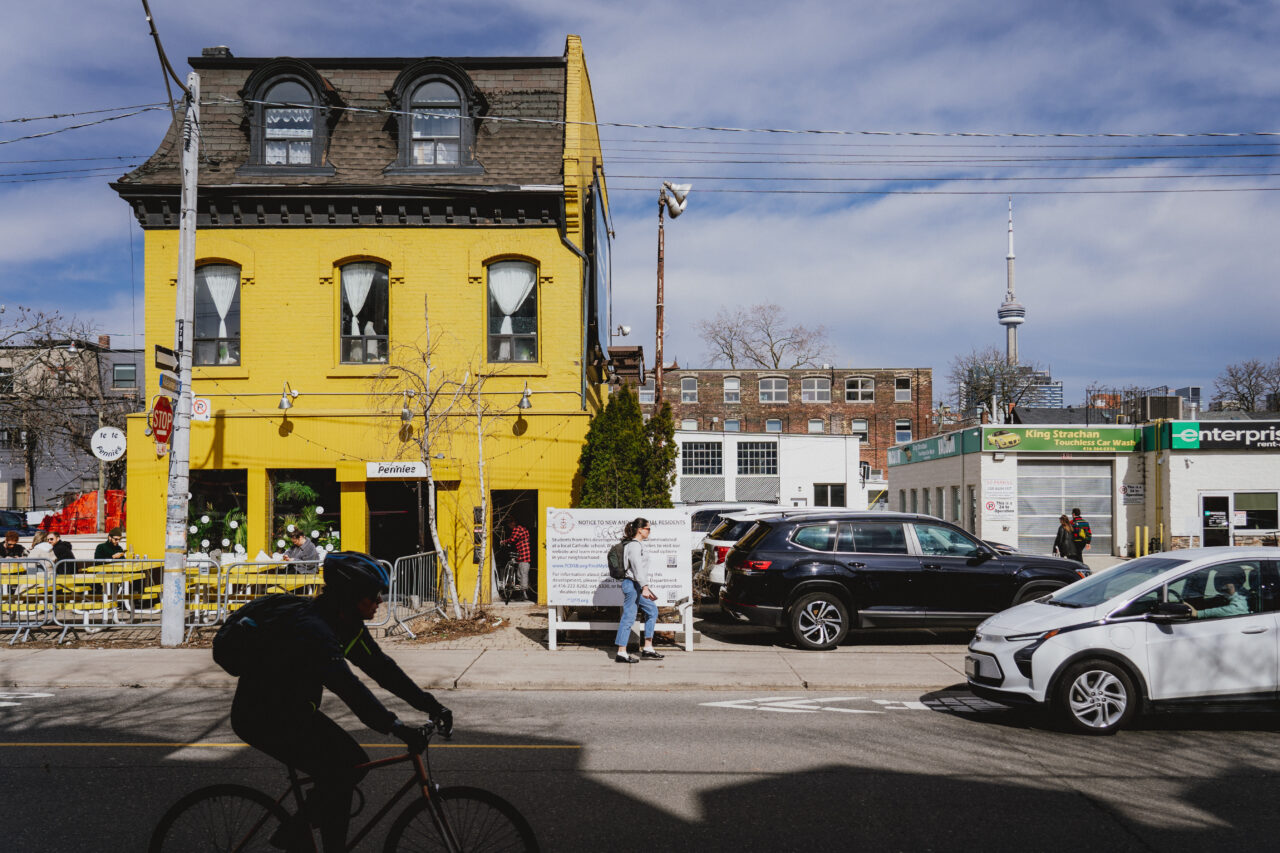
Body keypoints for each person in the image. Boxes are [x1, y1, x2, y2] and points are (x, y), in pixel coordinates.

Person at [230, 551, 451, 852]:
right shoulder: (314, 629)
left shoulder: (345, 625)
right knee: (347, 765)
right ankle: (293, 835)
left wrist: (430, 704)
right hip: (261, 716)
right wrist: (396, 727)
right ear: (351, 596)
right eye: (373, 596)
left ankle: (309, 834)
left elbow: (382, 669)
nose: (379, 602)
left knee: (346, 767)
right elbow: (350, 689)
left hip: (292, 711)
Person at [614, 517, 664, 664]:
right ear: (640, 530)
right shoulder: (634, 546)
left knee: (652, 611)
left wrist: (643, 586)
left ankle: (648, 648)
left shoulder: (638, 545)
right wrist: (645, 587)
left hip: (637, 585)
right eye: (648, 529)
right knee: (629, 617)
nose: (649, 531)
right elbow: (636, 567)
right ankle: (621, 652)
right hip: (632, 585)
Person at [500, 521, 532, 600]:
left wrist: (504, 542)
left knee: (522, 574)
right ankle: (522, 593)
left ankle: (523, 593)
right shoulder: (523, 529)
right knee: (520, 575)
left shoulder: (518, 529)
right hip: (522, 555)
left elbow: (513, 539)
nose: (509, 527)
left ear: (512, 523)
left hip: (524, 556)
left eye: (509, 525)